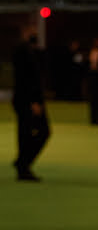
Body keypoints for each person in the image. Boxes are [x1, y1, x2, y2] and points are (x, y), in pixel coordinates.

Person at [12, 28, 50, 182]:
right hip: (28, 100)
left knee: (26, 133)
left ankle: (22, 163)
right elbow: (26, 79)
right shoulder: (23, 52)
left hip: (25, 99)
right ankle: (23, 164)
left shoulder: (26, 51)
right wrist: (34, 101)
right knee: (36, 132)